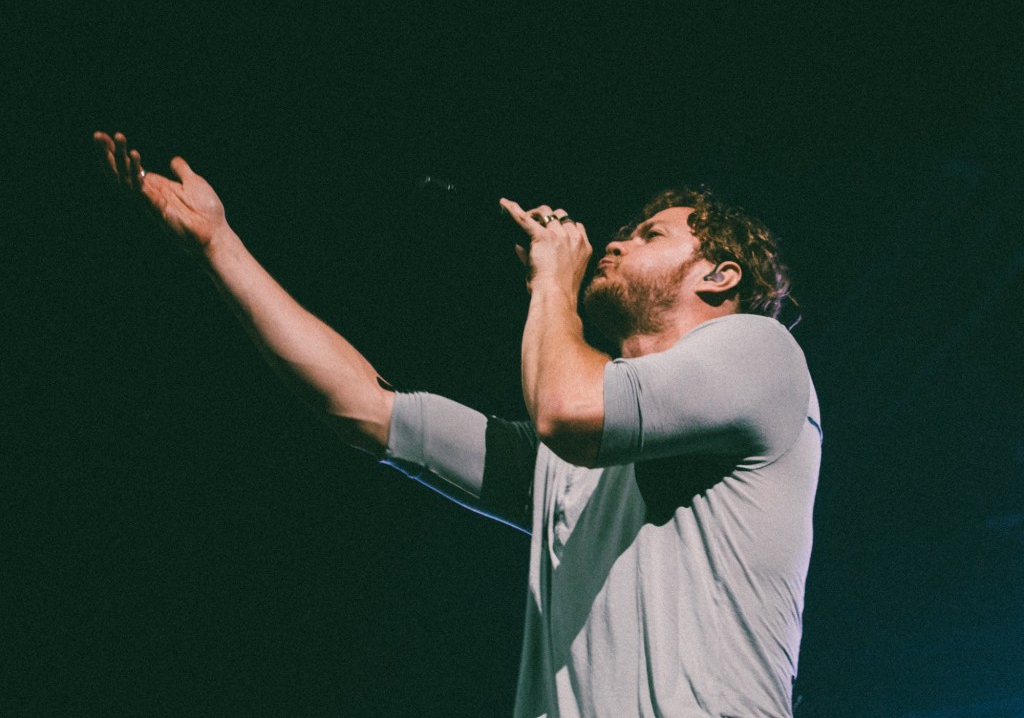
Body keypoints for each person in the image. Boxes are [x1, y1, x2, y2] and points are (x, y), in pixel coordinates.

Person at [94, 131, 821, 717]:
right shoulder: (569, 466)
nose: (619, 240)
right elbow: (366, 408)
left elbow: (569, 409)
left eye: (651, 234)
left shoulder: (762, 354)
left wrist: (552, 284)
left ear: (719, 275)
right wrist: (220, 245)